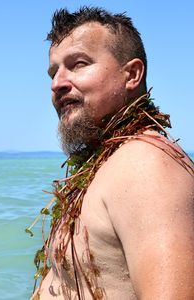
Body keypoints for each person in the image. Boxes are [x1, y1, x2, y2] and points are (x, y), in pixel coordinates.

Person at [31, 7, 194, 300]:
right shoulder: (110, 161)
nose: (57, 83)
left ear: (131, 75)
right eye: (54, 72)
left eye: (78, 64)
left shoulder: (147, 164)